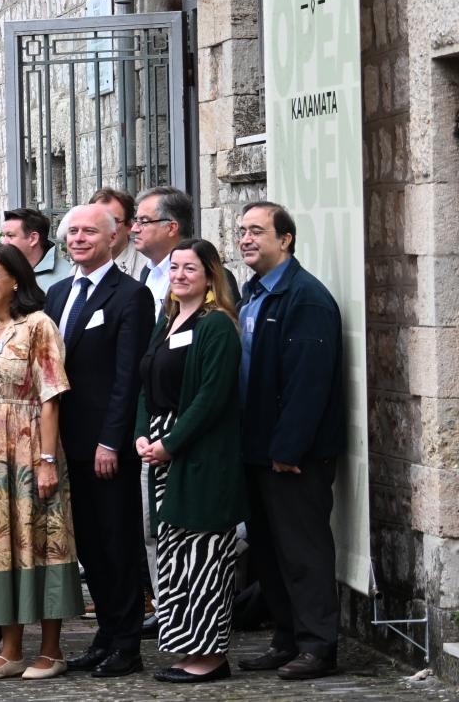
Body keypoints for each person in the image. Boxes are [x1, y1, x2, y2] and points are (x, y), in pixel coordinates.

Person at [0, 243, 77, 681]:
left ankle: (51, 649)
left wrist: (46, 461)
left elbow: (50, 398)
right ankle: (8, 649)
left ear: (16, 280)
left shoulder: (39, 326)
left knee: (37, 541)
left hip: (28, 447)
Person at [234, 201, 345, 681]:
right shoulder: (250, 293)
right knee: (269, 553)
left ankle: (318, 648)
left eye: (257, 231)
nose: (246, 239)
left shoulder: (306, 298)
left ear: (286, 239)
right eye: (242, 231)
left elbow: (308, 384)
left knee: (304, 553)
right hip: (255, 450)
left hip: (293, 457)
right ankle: (286, 638)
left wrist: (288, 449)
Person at [46, 203, 156, 677]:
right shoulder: (57, 293)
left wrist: (112, 441)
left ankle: (127, 643)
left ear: (115, 238)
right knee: (89, 544)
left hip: (105, 446)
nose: (79, 239)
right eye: (72, 232)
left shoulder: (130, 295)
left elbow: (127, 378)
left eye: (90, 231)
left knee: (117, 542)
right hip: (64, 443)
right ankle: (106, 633)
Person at [134, 238, 246, 683]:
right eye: (175, 268)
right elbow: (146, 383)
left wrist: (171, 442)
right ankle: (184, 648)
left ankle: (211, 657)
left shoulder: (216, 325)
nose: (180, 275)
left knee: (203, 556)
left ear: (210, 275)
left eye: (190, 269)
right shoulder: (167, 320)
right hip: (161, 449)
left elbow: (211, 397)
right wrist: (143, 433)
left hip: (200, 454)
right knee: (173, 556)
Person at [2, 208, 70, 292]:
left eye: (10, 235)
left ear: (33, 239)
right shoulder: (1, 269)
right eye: (4, 236)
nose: (4, 242)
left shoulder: (66, 277)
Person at [90, 188, 149, 280]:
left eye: (113, 221)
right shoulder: (80, 268)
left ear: (129, 226)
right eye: (96, 220)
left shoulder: (146, 269)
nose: (102, 228)